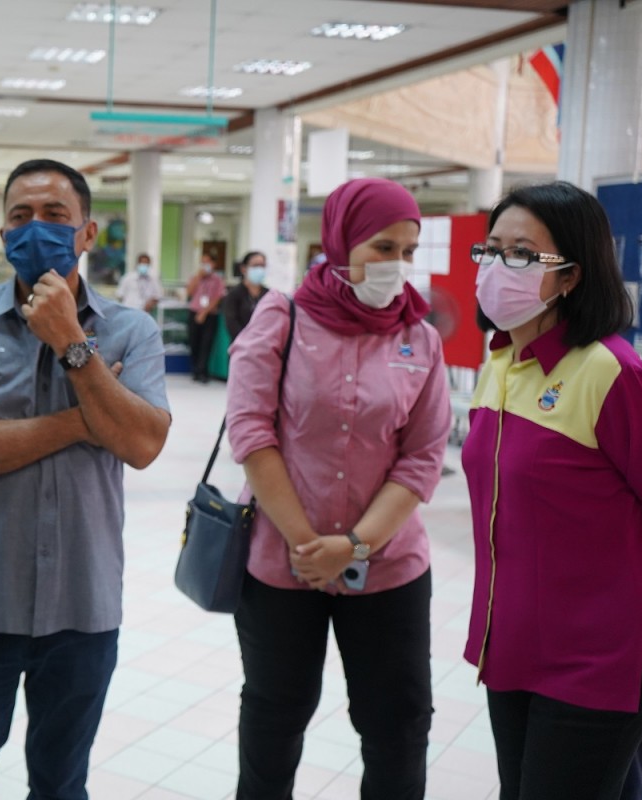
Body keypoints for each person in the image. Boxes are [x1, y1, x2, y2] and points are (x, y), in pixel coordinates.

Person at [0, 158, 171, 800]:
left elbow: (142, 444)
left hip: (84, 602)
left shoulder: (131, 331)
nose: (36, 228)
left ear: (87, 233)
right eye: (21, 216)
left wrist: (71, 343)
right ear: (4, 234)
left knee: (61, 785)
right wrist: (89, 420)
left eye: (55, 215)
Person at [461, 181, 642, 800]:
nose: (497, 266)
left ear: (570, 275)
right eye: (492, 249)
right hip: (511, 645)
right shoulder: (500, 361)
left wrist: (615, 563)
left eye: (521, 253)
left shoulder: (610, 371)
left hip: (597, 660)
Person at [225, 177, 451, 800]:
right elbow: (251, 431)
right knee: (275, 716)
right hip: (282, 561)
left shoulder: (420, 338)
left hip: (389, 567)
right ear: (341, 241)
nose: (397, 265)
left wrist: (352, 547)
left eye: (408, 251)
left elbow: (422, 457)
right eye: (383, 247)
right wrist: (308, 545)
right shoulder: (283, 316)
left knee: (397, 724)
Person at [185, 252, 226, 382]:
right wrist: (198, 277)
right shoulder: (196, 277)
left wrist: (204, 312)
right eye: (203, 262)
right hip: (194, 312)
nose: (205, 265)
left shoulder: (218, 280)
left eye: (208, 262)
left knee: (206, 343)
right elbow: (189, 292)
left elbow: (218, 297)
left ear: (213, 264)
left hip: (210, 314)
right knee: (194, 342)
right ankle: (195, 370)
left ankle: (203, 371)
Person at [222, 250, 269, 341]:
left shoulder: (268, 295)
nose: (260, 270)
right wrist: (247, 340)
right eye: (255, 266)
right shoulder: (234, 294)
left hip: (264, 344)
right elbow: (231, 323)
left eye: (262, 266)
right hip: (241, 344)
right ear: (244, 269)